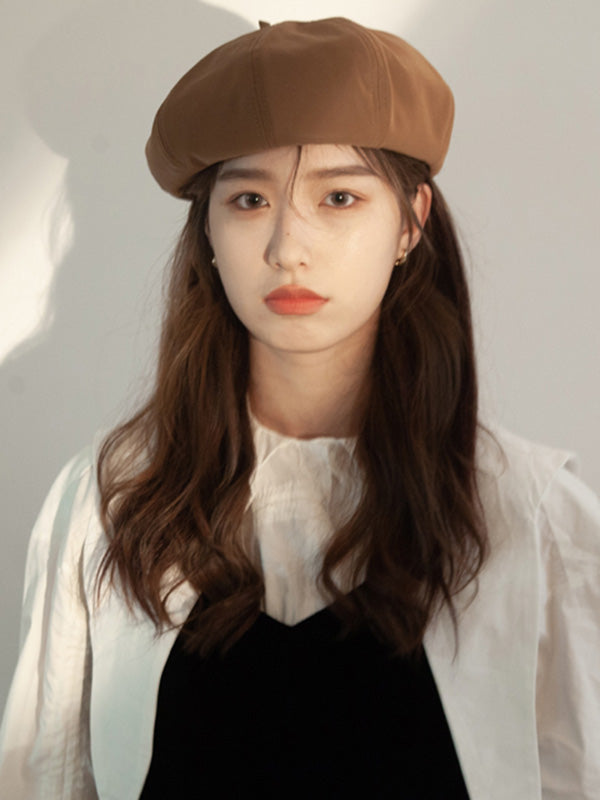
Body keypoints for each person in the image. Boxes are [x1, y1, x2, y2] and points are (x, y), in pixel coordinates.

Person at [0, 16, 599, 800]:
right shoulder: (111, 505)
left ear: (410, 221)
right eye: (249, 199)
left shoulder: (535, 521)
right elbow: (45, 780)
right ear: (208, 231)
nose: (288, 246)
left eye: (339, 197)